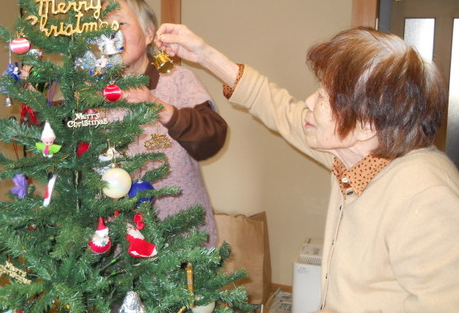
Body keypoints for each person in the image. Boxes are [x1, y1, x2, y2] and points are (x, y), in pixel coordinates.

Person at [155, 24, 459, 312]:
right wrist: (204, 54)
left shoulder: (427, 199)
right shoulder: (360, 156)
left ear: (367, 125)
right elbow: (277, 107)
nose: (310, 101)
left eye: (326, 96)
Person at [100, 0, 227, 247]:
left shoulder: (179, 80)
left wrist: (161, 108)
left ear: (148, 34)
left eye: (120, 23)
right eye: (103, 27)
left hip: (182, 239)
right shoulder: (89, 92)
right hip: (114, 247)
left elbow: (212, 137)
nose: (110, 32)